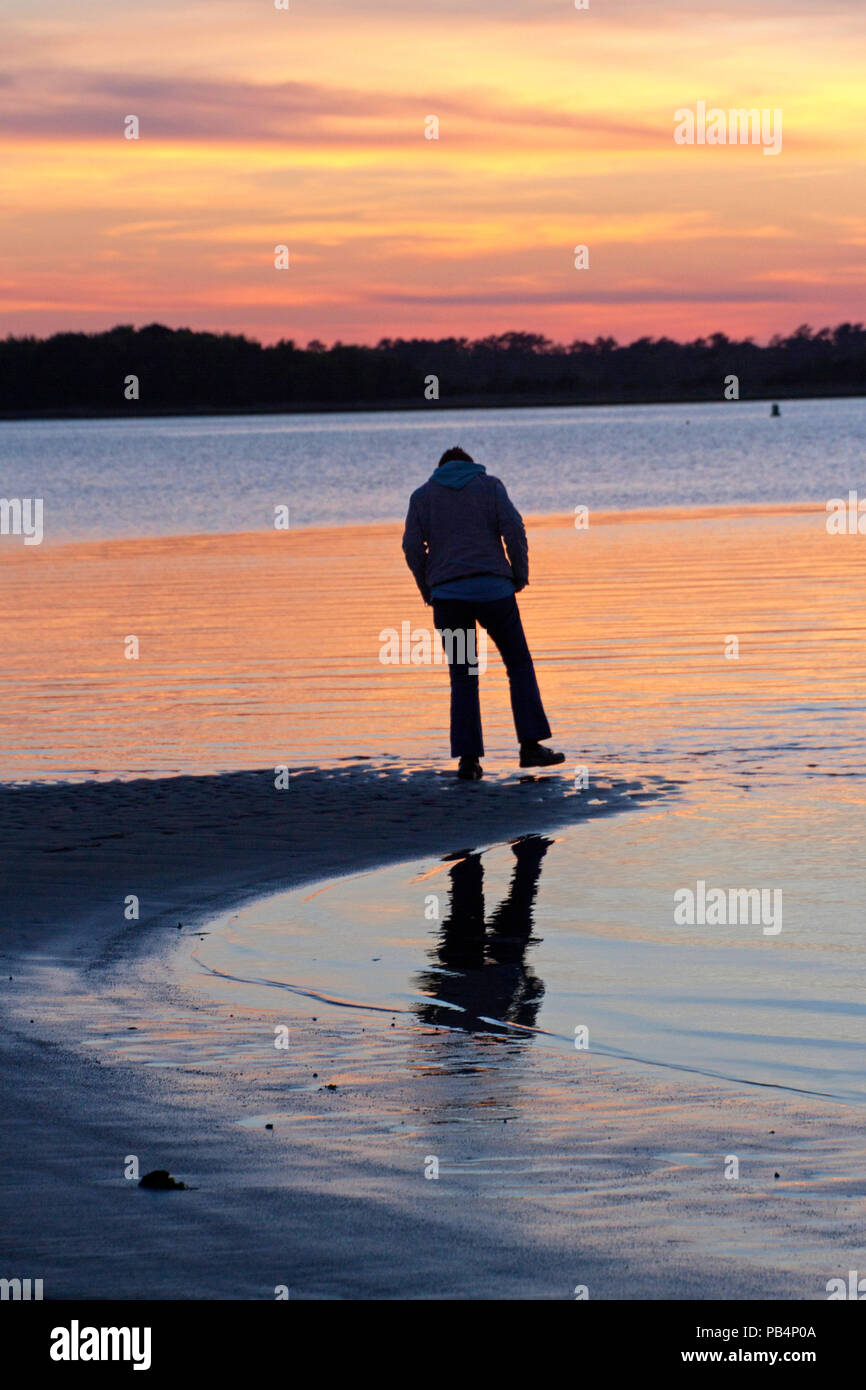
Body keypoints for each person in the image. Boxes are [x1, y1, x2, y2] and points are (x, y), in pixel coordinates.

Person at [402, 446, 565, 780]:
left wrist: (427, 589)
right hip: (495, 593)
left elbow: (411, 547)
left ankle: (469, 761)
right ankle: (530, 747)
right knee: (518, 664)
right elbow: (514, 530)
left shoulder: (422, 497)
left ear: (441, 468)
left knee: (464, 676)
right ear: (470, 464)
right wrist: (519, 574)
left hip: (448, 597)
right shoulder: (490, 487)